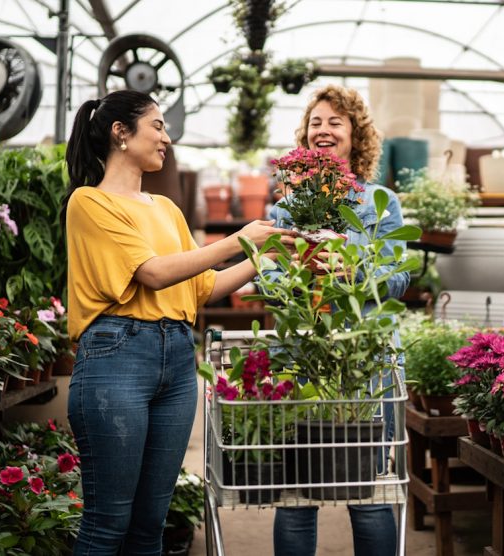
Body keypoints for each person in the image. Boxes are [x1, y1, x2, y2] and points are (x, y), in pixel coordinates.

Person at [63, 89, 296, 555]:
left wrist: (265, 254)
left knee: (151, 524)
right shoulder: (89, 203)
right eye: (158, 125)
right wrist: (238, 239)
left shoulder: (166, 209)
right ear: (120, 133)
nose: (167, 138)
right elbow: (151, 272)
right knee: (108, 523)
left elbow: (203, 287)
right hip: (116, 361)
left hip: (176, 359)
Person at [268, 84, 409, 556]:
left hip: (363, 357)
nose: (323, 131)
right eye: (315, 123)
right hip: (302, 353)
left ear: (355, 136)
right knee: (293, 497)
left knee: (366, 493)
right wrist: (292, 274)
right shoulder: (285, 208)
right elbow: (270, 283)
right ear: (305, 138)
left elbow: (399, 277)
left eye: (335, 122)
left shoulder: (379, 201)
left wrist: (355, 271)